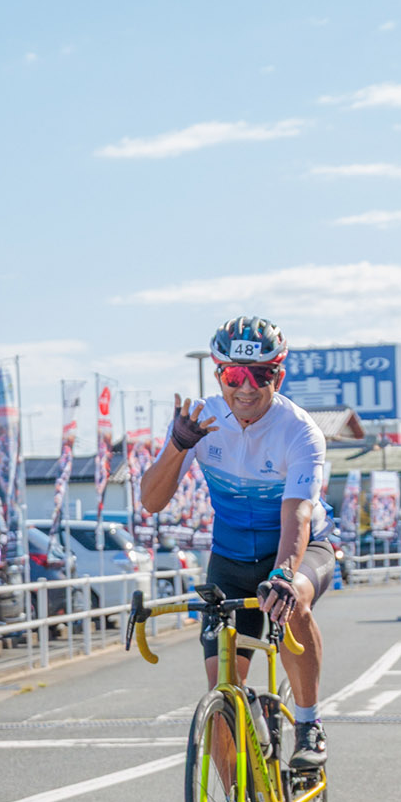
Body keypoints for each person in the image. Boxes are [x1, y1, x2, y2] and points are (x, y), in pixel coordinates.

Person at [138, 316, 335, 769]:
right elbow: (151, 501)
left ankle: (309, 724)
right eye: (234, 375)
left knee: (293, 601)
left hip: (299, 548)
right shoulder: (201, 419)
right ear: (219, 375)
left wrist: (284, 574)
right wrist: (178, 444)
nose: (246, 387)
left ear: (277, 377)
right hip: (230, 558)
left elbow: (298, 513)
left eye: (260, 374)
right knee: (221, 696)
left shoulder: (299, 430)